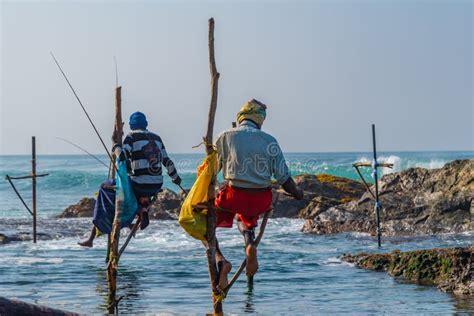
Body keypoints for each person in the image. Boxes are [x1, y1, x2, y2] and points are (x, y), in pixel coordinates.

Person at [210, 99, 303, 290]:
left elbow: (211, 172)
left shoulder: (224, 136)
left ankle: (220, 260)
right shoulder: (269, 141)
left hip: (233, 196)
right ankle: (249, 244)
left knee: (206, 224)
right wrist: (298, 193)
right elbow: (283, 178)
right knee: (246, 217)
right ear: (259, 120)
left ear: (241, 117)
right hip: (261, 199)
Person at [78, 111, 182, 247]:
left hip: (139, 184)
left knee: (105, 188)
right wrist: (176, 178)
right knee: (134, 194)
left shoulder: (131, 137)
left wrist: (115, 144)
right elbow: (167, 161)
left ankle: (93, 237)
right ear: (145, 124)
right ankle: (140, 211)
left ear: (132, 125)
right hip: (156, 185)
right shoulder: (157, 138)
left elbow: (122, 157)